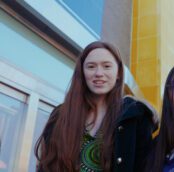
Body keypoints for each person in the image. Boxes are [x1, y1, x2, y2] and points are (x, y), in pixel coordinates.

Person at [35, 41, 157, 172]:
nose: (99, 73)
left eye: (106, 66)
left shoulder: (135, 116)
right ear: (82, 72)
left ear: (119, 73)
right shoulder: (60, 115)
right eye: (91, 66)